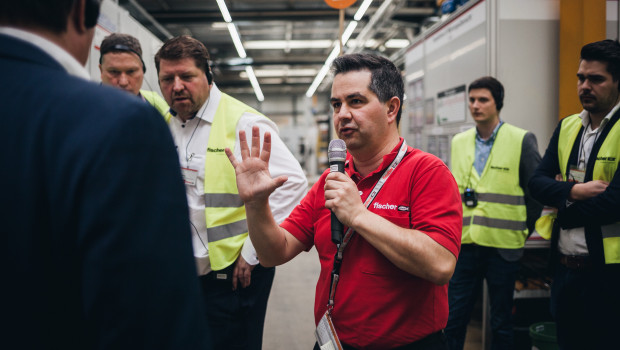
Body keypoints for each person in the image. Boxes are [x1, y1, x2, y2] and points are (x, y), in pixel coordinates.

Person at [0, 0, 212, 349]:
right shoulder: (118, 124)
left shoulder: (153, 114)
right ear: (82, 10)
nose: (123, 81)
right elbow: (152, 311)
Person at [226, 53, 463, 350]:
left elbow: (441, 264)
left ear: (392, 108)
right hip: (335, 343)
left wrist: (359, 216)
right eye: (337, 104)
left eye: (356, 102)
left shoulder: (427, 172)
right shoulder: (332, 179)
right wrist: (256, 204)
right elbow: (275, 252)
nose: (342, 114)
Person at [154, 35, 307, 350]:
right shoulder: (164, 124)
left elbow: (293, 183)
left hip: (235, 277)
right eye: (167, 79)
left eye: (187, 76)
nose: (177, 86)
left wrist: (253, 252)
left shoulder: (243, 122)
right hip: (183, 275)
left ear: (208, 77)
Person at [528, 39, 620, 350]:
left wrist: (562, 207)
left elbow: (613, 204)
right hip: (565, 273)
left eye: (596, 79)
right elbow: (536, 183)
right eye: (581, 78)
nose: (585, 86)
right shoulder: (568, 126)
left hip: (609, 277)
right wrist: (575, 190)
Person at [445, 76, 542, 350]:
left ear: (497, 103)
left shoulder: (521, 139)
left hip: (503, 247)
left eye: (483, 100)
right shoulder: (459, 141)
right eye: (472, 100)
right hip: (465, 244)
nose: (475, 105)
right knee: (454, 318)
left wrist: (523, 228)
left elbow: (534, 192)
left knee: (501, 322)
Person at [99, 32, 169, 116]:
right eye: (114, 72)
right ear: (101, 70)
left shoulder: (157, 106)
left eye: (131, 71)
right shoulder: (82, 108)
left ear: (143, 70)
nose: (123, 82)